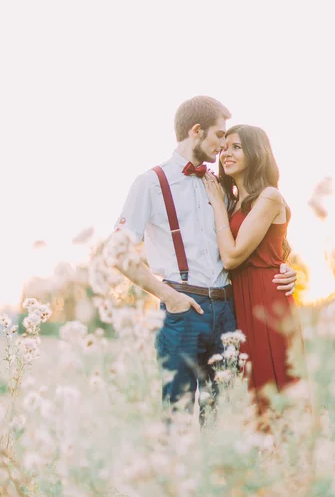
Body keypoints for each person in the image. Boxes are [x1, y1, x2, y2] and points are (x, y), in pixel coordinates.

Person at [114, 98, 297, 416]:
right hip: (184, 312)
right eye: (218, 136)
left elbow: (261, 239)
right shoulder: (150, 184)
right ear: (196, 131)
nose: (222, 147)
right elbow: (116, 252)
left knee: (222, 415)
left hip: (230, 312)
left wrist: (285, 267)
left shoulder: (223, 188)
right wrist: (169, 296)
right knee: (178, 416)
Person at [203, 124, 302, 415]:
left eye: (236, 147)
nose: (225, 154)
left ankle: (286, 456)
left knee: (273, 385)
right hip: (240, 299)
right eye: (224, 148)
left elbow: (232, 257)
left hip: (265, 301)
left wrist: (217, 206)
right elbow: (281, 248)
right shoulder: (234, 203)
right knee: (249, 388)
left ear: (256, 153)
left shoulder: (269, 196)